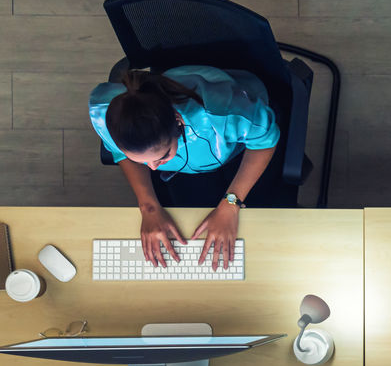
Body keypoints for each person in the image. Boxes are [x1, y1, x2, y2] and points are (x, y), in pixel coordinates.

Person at [89, 66, 280, 270]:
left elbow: (265, 141)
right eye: (140, 160)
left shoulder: (222, 113)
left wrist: (231, 203)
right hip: (187, 165)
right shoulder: (106, 113)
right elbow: (118, 152)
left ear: (179, 123)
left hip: (236, 147)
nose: (152, 169)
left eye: (162, 156)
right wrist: (148, 206)